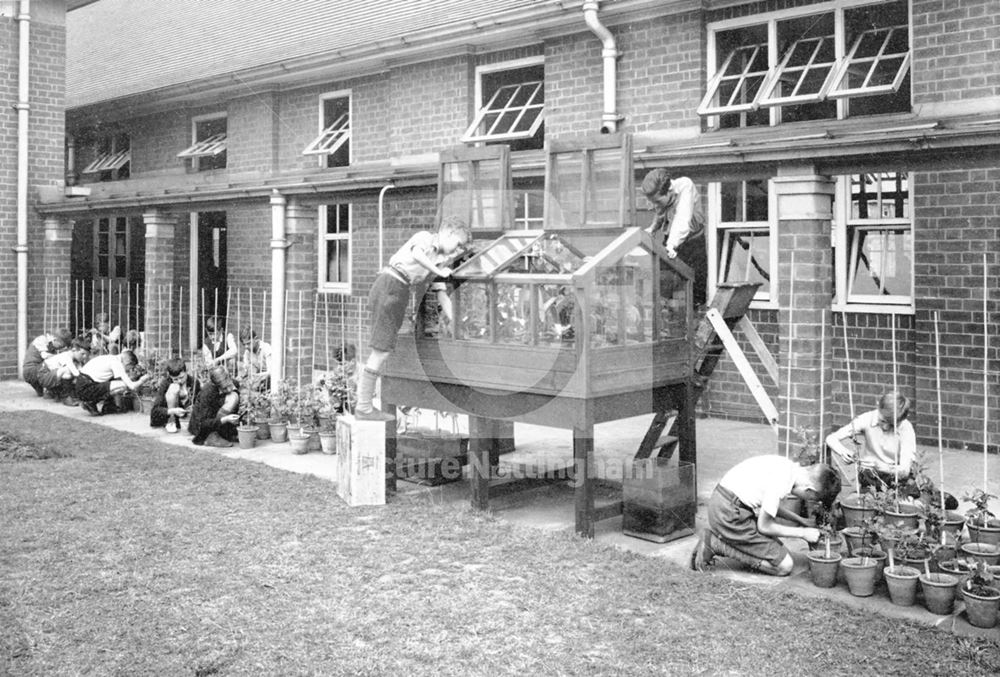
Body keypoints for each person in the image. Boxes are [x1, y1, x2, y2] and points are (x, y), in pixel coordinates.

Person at [355, 215, 472, 420]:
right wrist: (438, 271)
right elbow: (417, 254)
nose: (456, 250)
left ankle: (364, 407)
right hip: (390, 286)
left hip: (399, 292)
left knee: (383, 350)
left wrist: (457, 324)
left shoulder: (437, 260)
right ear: (449, 232)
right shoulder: (425, 238)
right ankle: (364, 407)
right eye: (457, 244)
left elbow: (441, 293)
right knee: (380, 351)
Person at [690, 454, 841, 576]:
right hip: (729, 514)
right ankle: (716, 544)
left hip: (725, 505)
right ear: (810, 490)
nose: (808, 500)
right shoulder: (782, 481)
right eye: (812, 499)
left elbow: (769, 507)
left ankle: (719, 540)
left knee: (775, 550)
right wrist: (802, 533)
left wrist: (801, 520)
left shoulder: (787, 468)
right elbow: (764, 526)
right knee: (784, 566)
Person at [825, 391, 916, 493]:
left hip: (895, 477)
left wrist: (883, 467)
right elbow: (831, 438)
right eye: (882, 421)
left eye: (892, 425)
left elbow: (905, 470)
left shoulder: (906, 428)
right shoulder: (867, 419)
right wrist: (843, 452)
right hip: (870, 476)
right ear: (878, 407)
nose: (885, 427)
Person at [641, 168, 708, 306]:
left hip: (692, 243)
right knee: (663, 286)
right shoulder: (663, 196)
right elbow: (660, 212)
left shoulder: (685, 186)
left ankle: (693, 321)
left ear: (670, 190)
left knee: (695, 295)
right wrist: (652, 229)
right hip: (671, 241)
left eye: (657, 201)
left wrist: (671, 244)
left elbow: (682, 219)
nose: (655, 206)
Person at [75, 349, 150, 416]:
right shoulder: (117, 363)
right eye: (130, 368)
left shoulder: (109, 357)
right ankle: (90, 402)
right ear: (128, 363)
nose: (129, 370)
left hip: (81, 384)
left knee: (115, 384)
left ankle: (95, 403)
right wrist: (142, 380)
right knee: (123, 386)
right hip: (87, 388)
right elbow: (131, 386)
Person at [188, 366, 240, 447]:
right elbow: (204, 422)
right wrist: (225, 419)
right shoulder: (207, 392)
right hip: (202, 427)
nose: (229, 389)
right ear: (215, 385)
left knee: (234, 395)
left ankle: (226, 433)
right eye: (225, 388)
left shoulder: (235, 383)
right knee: (232, 397)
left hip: (219, 420)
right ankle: (212, 435)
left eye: (230, 385)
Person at [150, 357, 196, 433]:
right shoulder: (166, 383)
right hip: (168, 416)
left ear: (186, 371)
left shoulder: (193, 382)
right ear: (170, 376)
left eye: (181, 377)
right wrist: (173, 411)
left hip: (186, 417)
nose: (179, 381)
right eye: (175, 379)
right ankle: (171, 422)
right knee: (173, 387)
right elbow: (155, 411)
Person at [22, 328, 72, 397]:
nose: (61, 348)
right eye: (61, 345)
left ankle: (47, 390)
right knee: (57, 366)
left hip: (36, 369)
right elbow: (46, 357)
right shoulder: (42, 340)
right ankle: (51, 389)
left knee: (43, 394)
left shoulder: (50, 342)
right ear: (55, 339)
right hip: (31, 371)